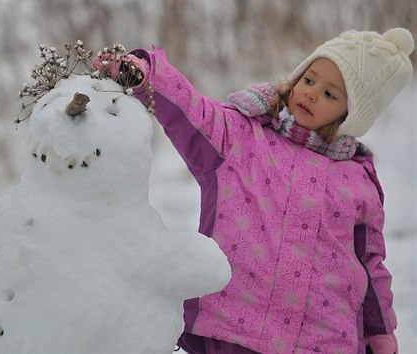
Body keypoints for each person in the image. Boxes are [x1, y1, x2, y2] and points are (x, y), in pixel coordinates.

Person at [94, 28, 413, 353]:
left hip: (323, 340)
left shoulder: (358, 179)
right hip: (235, 329)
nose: (312, 93)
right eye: (309, 79)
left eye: (331, 94)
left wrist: (379, 330)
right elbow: (191, 111)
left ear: (350, 117)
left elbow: (370, 264)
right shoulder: (241, 137)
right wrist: (148, 76)